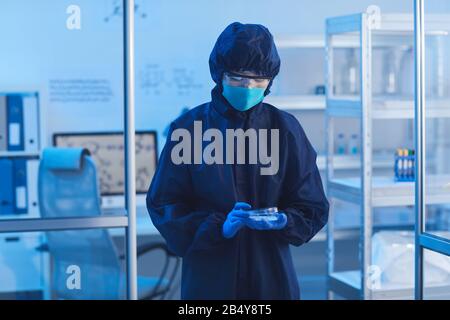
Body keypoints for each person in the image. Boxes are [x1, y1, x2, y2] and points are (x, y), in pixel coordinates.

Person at [147, 22, 329, 300]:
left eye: (258, 80)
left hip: (270, 275)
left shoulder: (285, 129)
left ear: (270, 80)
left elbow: (312, 205)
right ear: (219, 74)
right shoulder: (189, 129)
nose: (248, 87)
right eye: (238, 78)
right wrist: (219, 226)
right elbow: (164, 204)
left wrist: (283, 220)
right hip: (210, 277)